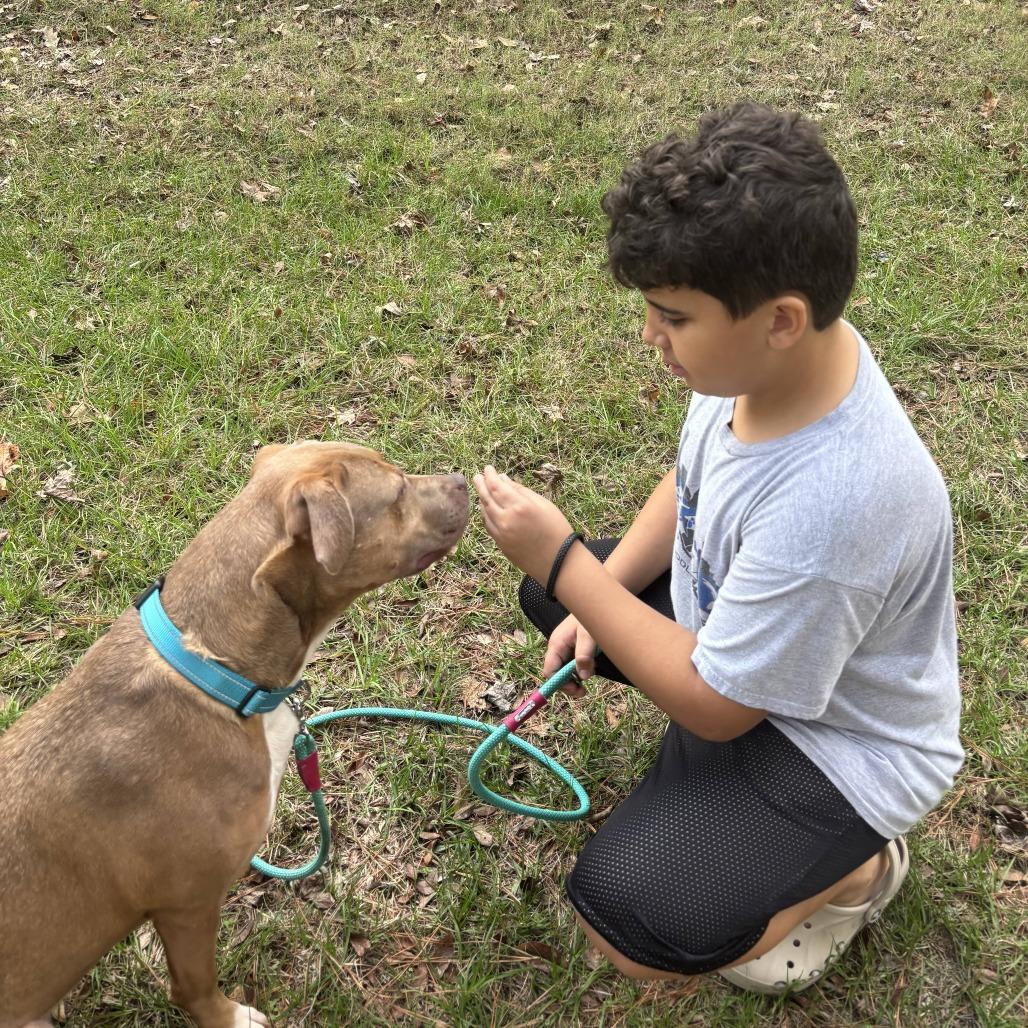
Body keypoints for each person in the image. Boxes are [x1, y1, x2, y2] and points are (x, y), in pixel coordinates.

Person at [472, 102, 963, 994]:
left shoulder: (841, 502)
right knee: (563, 603)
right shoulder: (767, 364)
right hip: (746, 649)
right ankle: (721, 806)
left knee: (633, 929)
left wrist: (564, 562)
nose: (650, 337)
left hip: (834, 743)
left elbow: (716, 707)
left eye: (672, 317)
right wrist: (595, 586)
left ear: (780, 317)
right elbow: (692, 480)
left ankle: (859, 870)